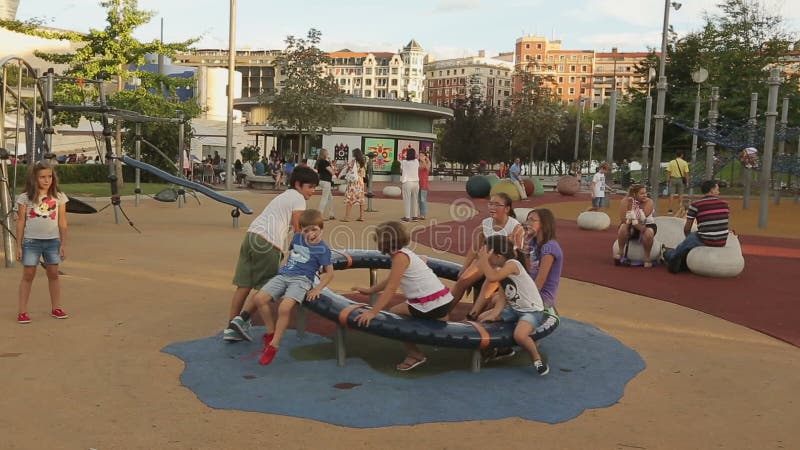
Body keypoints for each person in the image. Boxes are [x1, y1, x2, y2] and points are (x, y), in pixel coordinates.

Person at [222, 166, 319, 341]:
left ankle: (231, 326)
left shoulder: (283, 196)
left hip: (251, 236)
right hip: (268, 243)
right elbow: (298, 229)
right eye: (310, 187)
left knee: (244, 285)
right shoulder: (298, 199)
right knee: (266, 289)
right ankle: (242, 320)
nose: (312, 191)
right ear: (298, 184)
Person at [227, 209, 334, 365]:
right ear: (301, 230)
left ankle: (274, 345)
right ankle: (271, 333)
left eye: (315, 230)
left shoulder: (323, 249)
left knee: (284, 308)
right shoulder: (297, 238)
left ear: (321, 229)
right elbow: (292, 254)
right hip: (284, 275)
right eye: (307, 230)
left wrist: (317, 288)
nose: (311, 234)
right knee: (259, 299)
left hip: (301, 280)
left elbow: (330, 273)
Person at [352, 221, 454, 371]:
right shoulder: (406, 253)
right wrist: (371, 290)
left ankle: (415, 354)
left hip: (430, 304)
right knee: (414, 311)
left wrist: (373, 312)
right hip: (443, 301)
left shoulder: (399, 258)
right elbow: (391, 279)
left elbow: (391, 288)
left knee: (395, 313)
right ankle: (439, 318)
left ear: (383, 243)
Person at [475, 235, 549, 376]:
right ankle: (498, 350)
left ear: (497, 255)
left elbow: (491, 278)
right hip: (515, 310)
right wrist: (494, 315)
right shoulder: (501, 270)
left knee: (520, 335)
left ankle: (537, 359)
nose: (486, 258)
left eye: (488, 254)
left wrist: (483, 260)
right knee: (482, 318)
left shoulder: (512, 264)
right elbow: (503, 299)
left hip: (532, 311)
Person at [452, 193, 525, 318]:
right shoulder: (485, 223)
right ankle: (444, 309)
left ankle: (472, 315)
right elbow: (475, 248)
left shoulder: (516, 227)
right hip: (486, 260)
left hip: (503, 264)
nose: (492, 207)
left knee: (489, 285)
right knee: (462, 281)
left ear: (507, 209)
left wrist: (511, 243)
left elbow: (517, 255)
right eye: (491, 204)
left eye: (497, 205)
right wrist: (465, 267)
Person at [15, 160, 70, 323]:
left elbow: (62, 221)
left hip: (52, 241)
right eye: (42, 177)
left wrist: (63, 244)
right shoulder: (25, 198)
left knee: (53, 273)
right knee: (28, 274)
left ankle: (56, 308)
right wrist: (18, 246)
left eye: (49, 177)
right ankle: (22, 311)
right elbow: (21, 222)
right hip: (31, 242)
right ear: (34, 179)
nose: (47, 180)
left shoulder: (59, 197)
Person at [662, 180, 730, 274]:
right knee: (693, 238)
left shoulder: (696, 205)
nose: (719, 192)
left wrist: (688, 238)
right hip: (722, 240)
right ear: (711, 190)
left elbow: (687, 228)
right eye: (717, 189)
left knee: (689, 240)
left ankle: (669, 254)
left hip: (706, 239)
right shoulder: (725, 204)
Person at [524, 209, 563, 307]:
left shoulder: (549, 247)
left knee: (500, 301)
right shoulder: (532, 243)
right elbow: (526, 270)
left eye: (532, 220)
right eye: (528, 220)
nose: (528, 223)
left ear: (544, 224)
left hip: (542, 297)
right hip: (531, 291)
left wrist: (527, 298)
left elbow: (540, 280)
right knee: (497, 297)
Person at [615, 184, 657, 268]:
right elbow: (623, 218)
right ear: (634, 194)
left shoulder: (649, 202)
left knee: (648, 232)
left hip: (647, 224)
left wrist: (641, 228)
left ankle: (647, 257)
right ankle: (620, 252)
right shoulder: (625, 201)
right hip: (630, 223)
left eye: (645, 193)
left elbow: (641, 219)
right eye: (642, 193)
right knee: (623, 227)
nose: (645, 195)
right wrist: (631, 226)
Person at [341, 148, 366, 222]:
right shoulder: (362, 162)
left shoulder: (353, 161)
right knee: (361, 199)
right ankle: (362, 216)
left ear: (355, 154)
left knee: (350, 198)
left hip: (353, 182)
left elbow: (348, 168)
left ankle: (347, 217)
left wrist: (346, 163)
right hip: (360, 181)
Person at [314, 148, 337, 220]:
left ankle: (331, 214)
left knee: (330, 198)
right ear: (324, 154)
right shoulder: (325, 162)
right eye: (327, 153)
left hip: (321, 180)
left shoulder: (318, 161)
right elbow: (332, 172)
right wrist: (331, 165)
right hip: (326, 181)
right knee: (324, 198)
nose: (328, 154)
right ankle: (319, 215)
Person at [400, 148, 420, 222]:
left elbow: (401, 170)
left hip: (407, 182)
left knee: (407, 200)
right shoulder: (416, 161)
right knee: (415, 199)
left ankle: (407, 217)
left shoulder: (404, 162)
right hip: (416, 182)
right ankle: (415, 216)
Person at [418, 149, 430, 220]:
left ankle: (423, 214)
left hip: (424, 183)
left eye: (422, 155)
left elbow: (426, 168)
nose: (420, 156)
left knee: (423, 199)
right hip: (418, 183)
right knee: (419, 200)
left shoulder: (428, 162)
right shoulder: (418, 163)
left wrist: (424, 160)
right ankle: (421, 213)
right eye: (419, 155)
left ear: (425, 156)